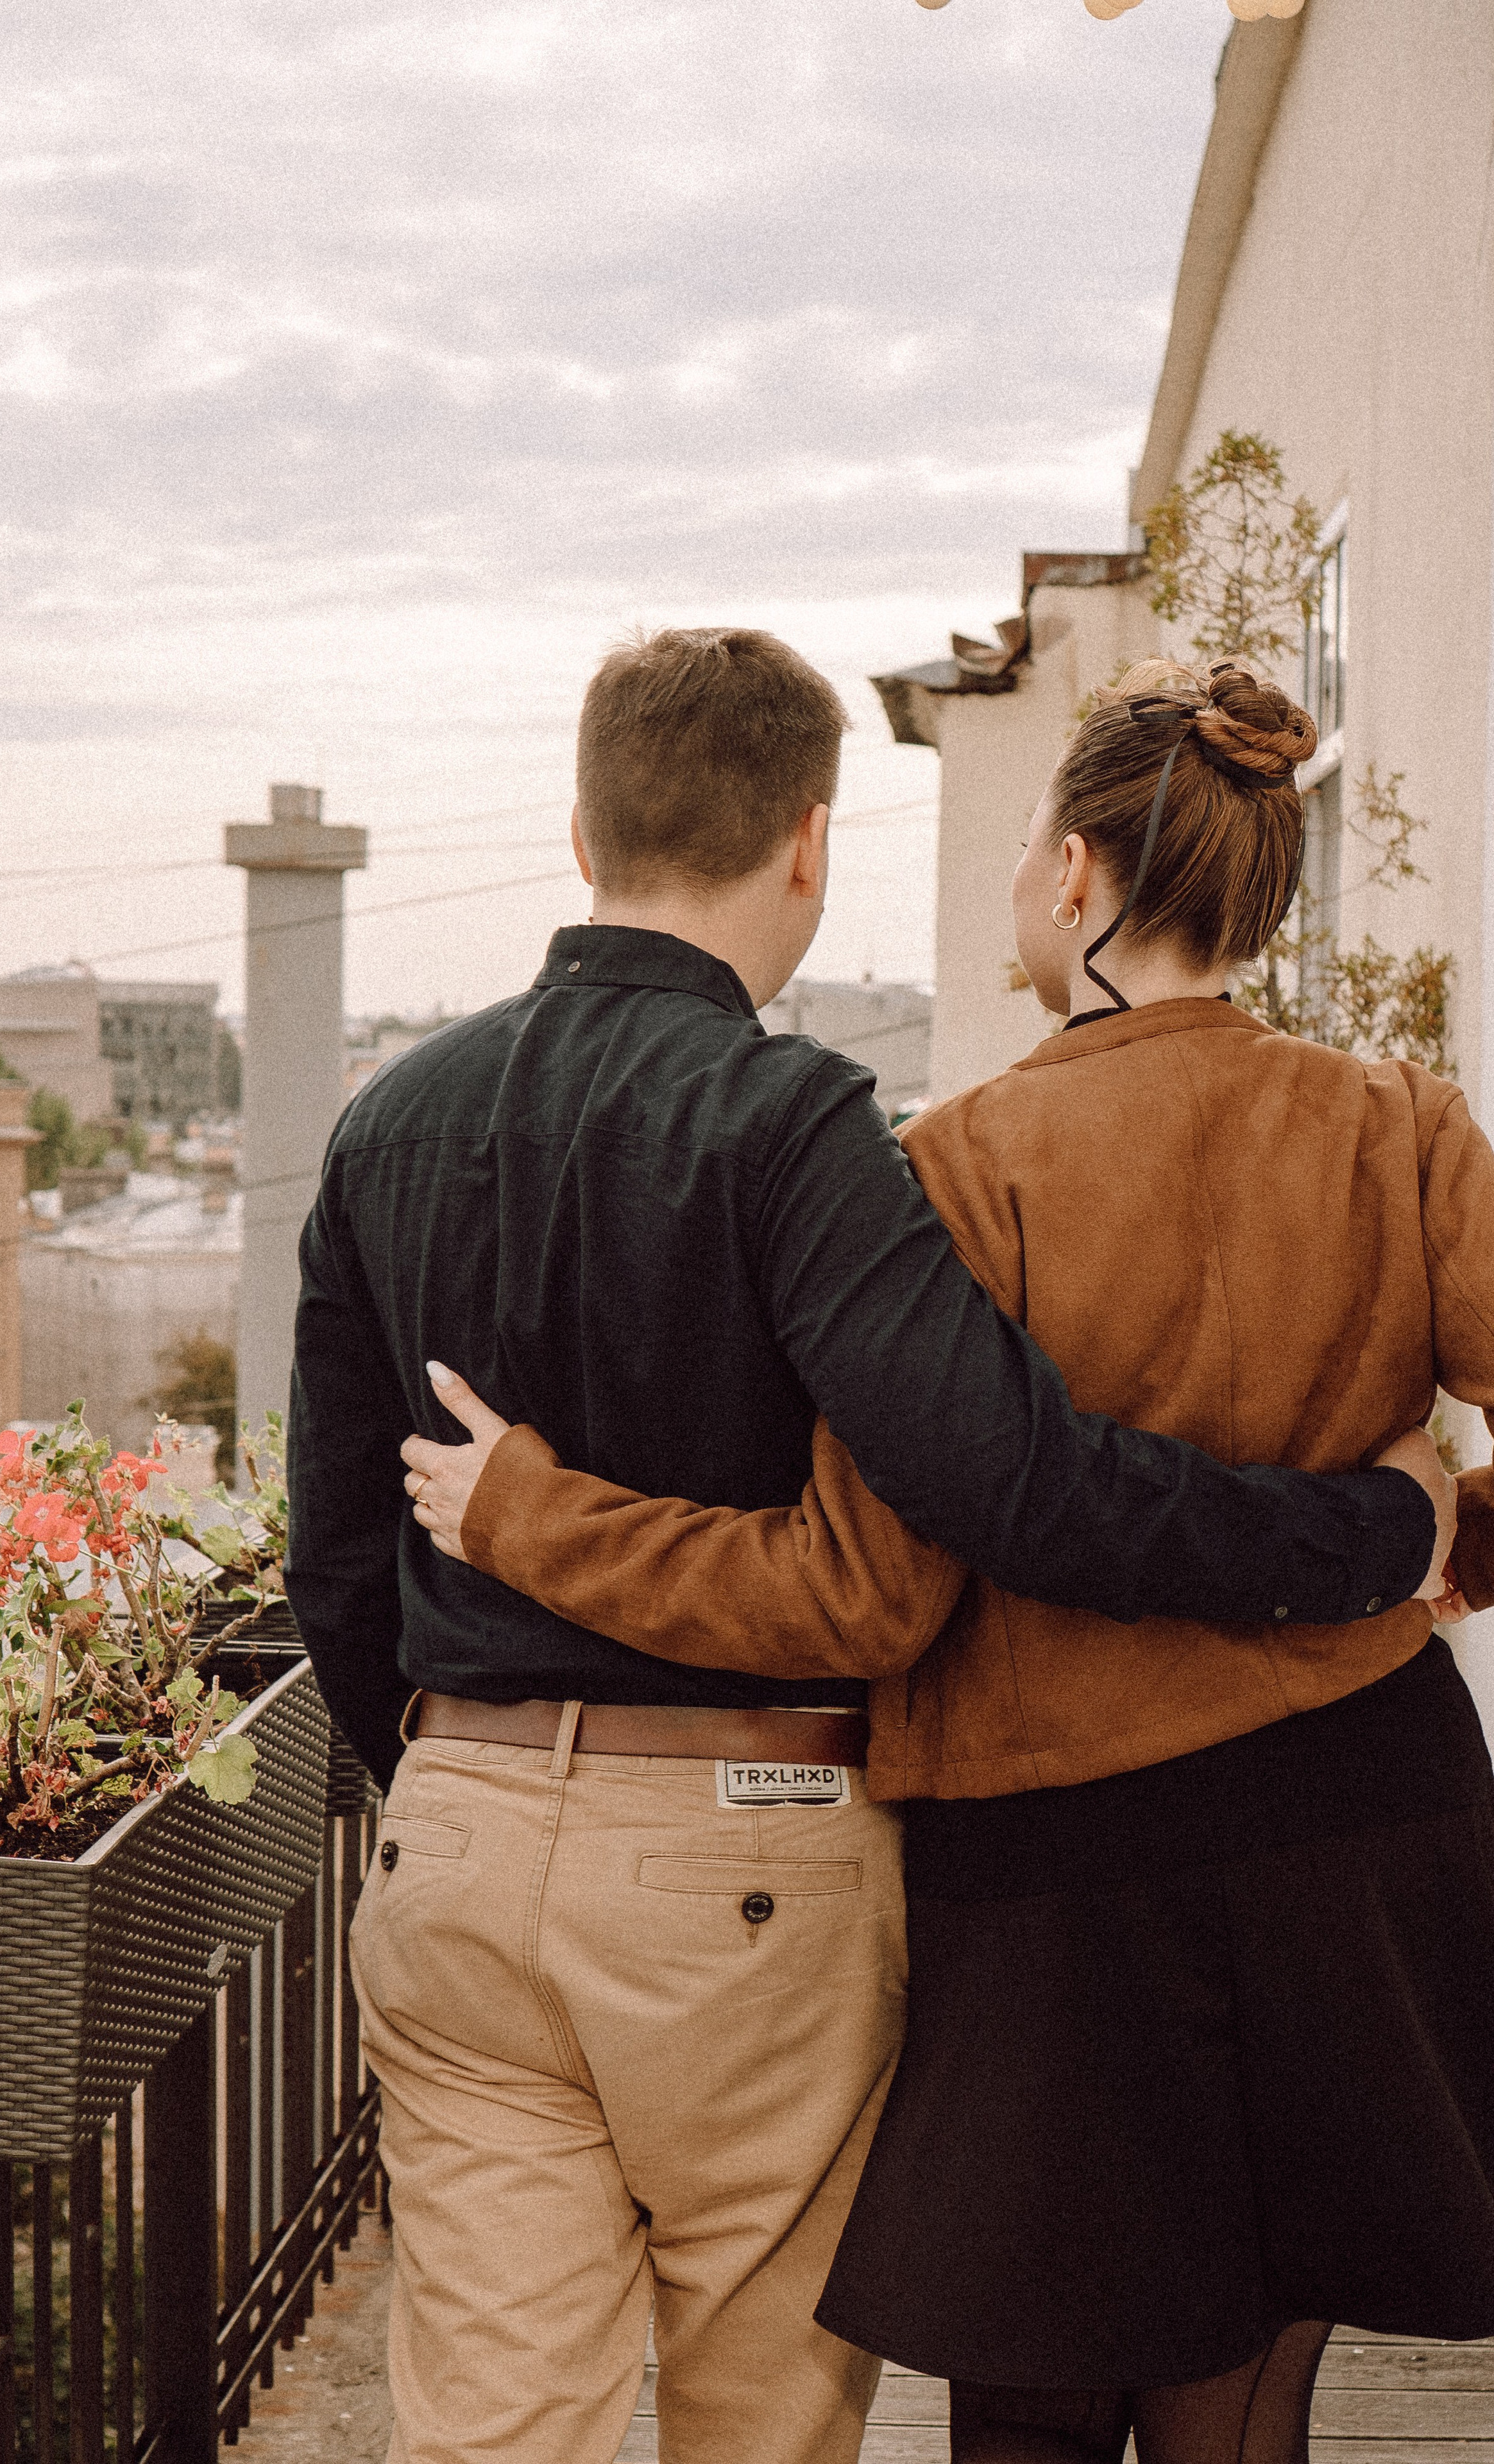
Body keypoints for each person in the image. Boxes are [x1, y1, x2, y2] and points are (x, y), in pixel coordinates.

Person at [287, 631, 1448, 2464]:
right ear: (812, 848)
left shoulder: (394, 1126)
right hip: (798, 1851)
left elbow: (341, 1560)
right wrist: (1401, 1539)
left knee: (498, 2429)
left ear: (581, 827)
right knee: (782, 2416)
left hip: (507, 1841)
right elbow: (999, 1490)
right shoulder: (804, 1120)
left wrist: (473, 1758)